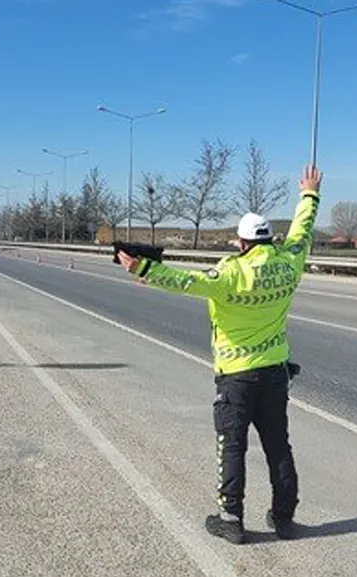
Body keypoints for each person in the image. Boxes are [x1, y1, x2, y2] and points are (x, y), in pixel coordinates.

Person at [115, 164, 322, 544]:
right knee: (278, 444)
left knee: (232, 444)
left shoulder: (229, 274)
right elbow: (302, 231)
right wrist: (309, 195)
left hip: (237, 376)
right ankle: (284, 518)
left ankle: (231, 518)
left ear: (242, 243)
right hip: (275, 372)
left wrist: (142, 267)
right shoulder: (289, 265)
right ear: (268, 240)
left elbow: (186, 281)